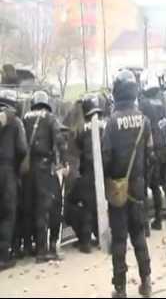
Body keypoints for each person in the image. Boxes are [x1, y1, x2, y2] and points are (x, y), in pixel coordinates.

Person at [102, 69, 153, 298]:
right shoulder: (145, 120)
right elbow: (150, 155)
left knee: (120, 239)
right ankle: (147, 283)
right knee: (139, 235)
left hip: (118, 190)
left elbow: (105, 158)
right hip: (139, 189)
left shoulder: (112, 123)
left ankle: (120, 288)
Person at [23, 91, 68, 263]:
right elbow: (59, 140)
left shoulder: (25, 117)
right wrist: (64, 162)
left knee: (29, 207)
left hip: (27, 170)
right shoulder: (49, 117)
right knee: (48, 206)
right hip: (43, 168)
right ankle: (44, 250)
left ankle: (29, 246)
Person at [71, 93, 106, 253]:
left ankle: (85, 242)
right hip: (105, 172)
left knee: (87, 208)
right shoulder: (105, 125)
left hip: (88, 172)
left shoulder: (82, 128)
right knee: (102, 207)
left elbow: (77, 146)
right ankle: (102, 237)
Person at [0, 90, 27, 270]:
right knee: (8, 215)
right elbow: (22, 149)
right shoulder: (15, 122)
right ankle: (3, 258)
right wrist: (15, 168)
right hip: (7, 172)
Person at [139, 70, 166, 232]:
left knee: (143, 186)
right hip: (161, 145)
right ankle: (158, 218)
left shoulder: (143, 103)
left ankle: (145, 223)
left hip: (147, 147)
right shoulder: (161, 101)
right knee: (156, 185)